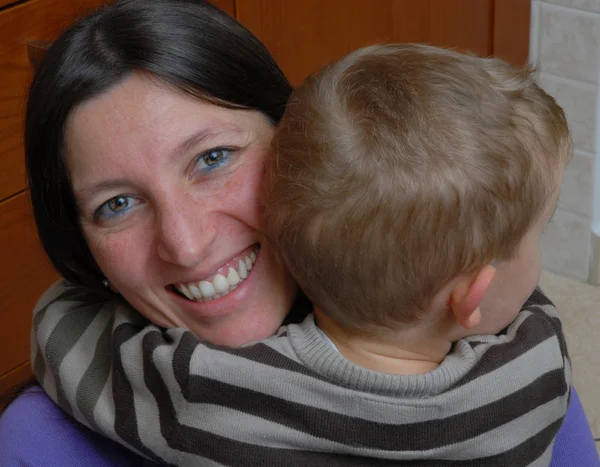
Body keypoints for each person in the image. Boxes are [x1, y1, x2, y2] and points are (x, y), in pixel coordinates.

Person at [0, 0, 596, 465]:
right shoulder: (520, 347)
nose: (186, 243)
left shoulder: (187, 397)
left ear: (297, 145)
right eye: (118, 203)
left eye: (212, 159)